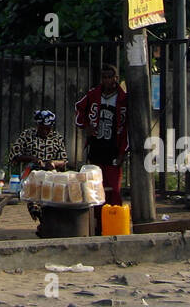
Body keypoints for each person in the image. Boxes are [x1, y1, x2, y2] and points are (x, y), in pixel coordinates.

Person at [74, 64, 128, 205]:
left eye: (110, 77)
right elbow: (79, 109)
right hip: (96, 147)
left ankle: (114, 218)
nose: (107, 80)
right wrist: (86, 126)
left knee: (114, 189)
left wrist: (122, 152)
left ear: (116, 78)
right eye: (104, 77)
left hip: (113, 149)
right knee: (96, 188)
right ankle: (97, 222)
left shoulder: (123, 99)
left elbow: (127, 128)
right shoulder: (93, 95)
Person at [9, 109, 69, 174]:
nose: (44, 131)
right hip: (30, 175)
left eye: (48, 129)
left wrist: (53, 163)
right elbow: (14, 155)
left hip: (50, 176)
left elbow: (64, 161)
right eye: (41, 128)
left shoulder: (57, 138)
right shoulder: (27, 135)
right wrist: (32, 159)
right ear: (37, 125)